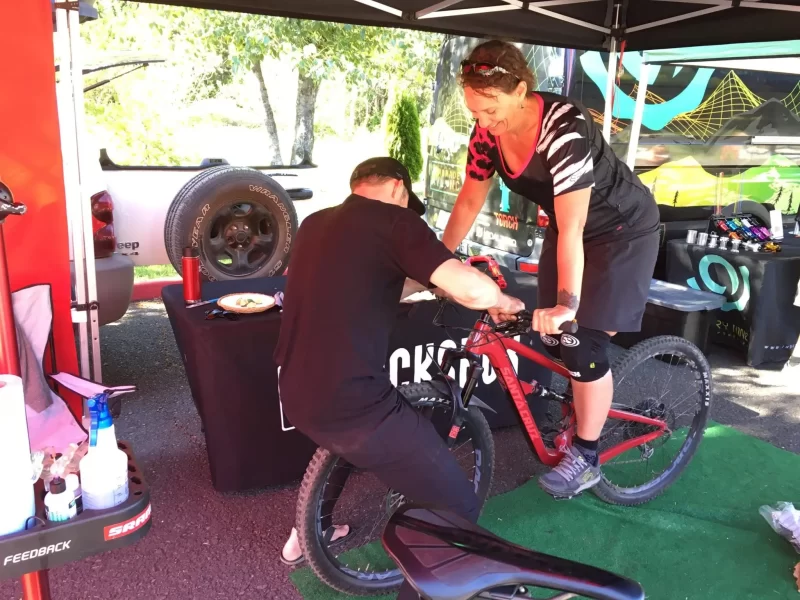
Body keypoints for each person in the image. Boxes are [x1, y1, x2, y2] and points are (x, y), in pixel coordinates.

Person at [274, 156, 525, 597]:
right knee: (456, 507)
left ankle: (312, 529)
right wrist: (501, 300)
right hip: (355, 406)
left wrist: (430, 283)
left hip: (295, 390)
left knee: (340, 445)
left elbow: (373, 281)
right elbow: (473, 289)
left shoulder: (316, 223)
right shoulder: (395, 221)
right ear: (396, 188)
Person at [442, 40, 661, 499]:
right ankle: (579, 403)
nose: (483, 122)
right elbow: (468, 201)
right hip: (567, 230)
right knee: (551, 339)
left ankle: (587, 456)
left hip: (622, 230)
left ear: (521, 90)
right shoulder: (486, 134)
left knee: (582, 342)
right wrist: (435, 261)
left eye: (491, 109)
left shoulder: (564, 126)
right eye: (474, 111)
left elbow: (576, 226)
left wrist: (567, 305)